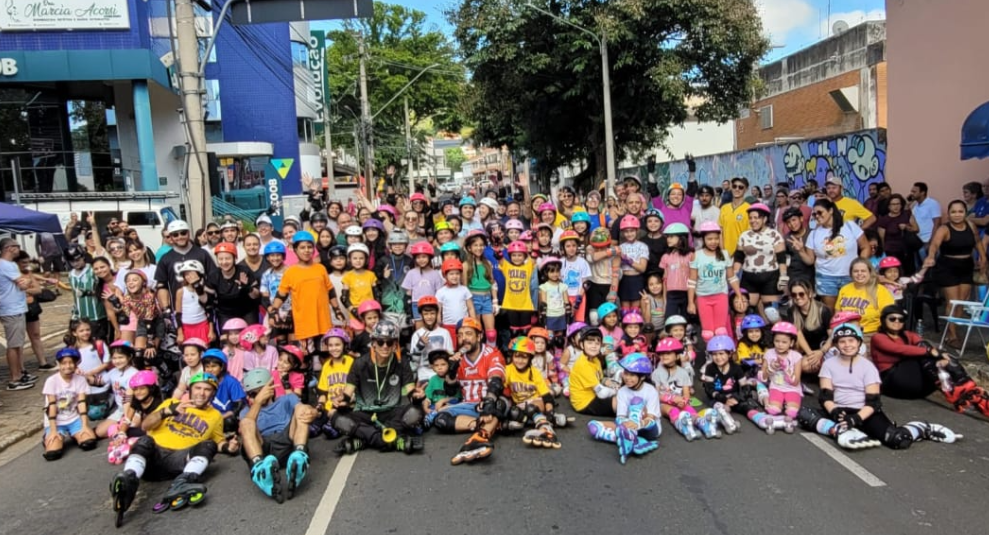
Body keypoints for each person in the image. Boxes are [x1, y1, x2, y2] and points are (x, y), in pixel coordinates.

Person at [109, 373, 236, 526]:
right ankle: (129, 478)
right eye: (198, 388)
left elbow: (218, 440)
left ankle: (183, 482)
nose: (202, 393)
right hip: (152, 457)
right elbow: (145, 425)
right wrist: (167, 411)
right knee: (145, 440)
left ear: (213, 393)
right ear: (190, 389)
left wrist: (228, 447)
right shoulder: (171, 402)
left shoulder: (215, 416)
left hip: (179, 461)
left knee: (209, 445)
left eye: (207, 389)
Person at [805, 323, 956, 450]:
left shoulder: (868, 367)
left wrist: (856, 418)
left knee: (898, 440)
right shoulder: (829, 364)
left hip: (864, 411)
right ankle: (839, 429)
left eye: (851, 341)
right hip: (839, 410)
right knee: (804, 414)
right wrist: (834, 411)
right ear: (836, 345)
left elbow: (873, 402)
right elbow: (825, 396)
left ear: (859, 343)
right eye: (842, 342)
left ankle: (920, 428)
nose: (847, 345)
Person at [331, 320, 425, 455]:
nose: (385, 346)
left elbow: (411, 393)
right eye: (380, 342)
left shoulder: (402, 363)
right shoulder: (360, 364)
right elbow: (346, 394)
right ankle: (393, 440)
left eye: (389, 342)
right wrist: (340, 400)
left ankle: (365, 440)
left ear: (395, 345)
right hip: (365, 413)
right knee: (336, 417)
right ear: (373, 343)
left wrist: (417, 397)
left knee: (417, 412)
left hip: (392, 412)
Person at [429, 317, 508, 465]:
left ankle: (481, 436)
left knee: (499, 404)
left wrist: (488, 402)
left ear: (479, 336)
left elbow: (496, 382)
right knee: (440, 419)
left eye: (468, 334)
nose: (464, 338)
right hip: (468, 406)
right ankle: (485, 425)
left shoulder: (492, 354)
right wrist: (451, 372)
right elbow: (451, 391)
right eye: (460, 335)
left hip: (489, 403)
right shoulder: (458, 359)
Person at [239, 368, 318, 503]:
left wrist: (312, 412)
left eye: (260, 392)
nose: (257, 396)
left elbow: (303, 408)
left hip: (287, 441)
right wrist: (257, 402)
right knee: (246, 423)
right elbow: (246, 427)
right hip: (263, 447)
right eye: (252, 394)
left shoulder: (287, 399)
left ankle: (299, 456)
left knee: (302, 410)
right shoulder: (247, 411)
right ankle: (260, 470)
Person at [928, 200, 987, 348]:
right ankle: (952, 335)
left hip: (966, 266)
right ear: (948, 214)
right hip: (948, 267)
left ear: (965, 213)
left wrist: (983, 257)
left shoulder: (971, 225)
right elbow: (934, 245)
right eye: (953, 212)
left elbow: (977, 242)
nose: (957, 215)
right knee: (952, 302)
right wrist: (930, 256)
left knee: (961, 302)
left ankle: (953, 329)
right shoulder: (944, 229)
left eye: (960, 211)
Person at [586, 353, 661, 464]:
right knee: (593, 427)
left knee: (636, 401)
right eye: (626, 373)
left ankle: (627, 436)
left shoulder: (651, 391)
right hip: (629, 424)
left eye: (632, 375)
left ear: (642, 377)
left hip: (648, 429)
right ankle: (627, 437)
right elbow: (620, 416)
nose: (627, 378)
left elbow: (651, 418)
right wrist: (625, 424)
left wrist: (638, 424)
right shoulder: (622, 391)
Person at [794, 199, 870, 309]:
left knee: (852, 308)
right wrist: (801, 251)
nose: (817, 216)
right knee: (830, 311)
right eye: (814, 214)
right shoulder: (814, 234)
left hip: (850, 275)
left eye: (820, 212)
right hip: (826, 278)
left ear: (830, 210)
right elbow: (810, 260)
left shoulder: (850, 226)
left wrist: (859, 267)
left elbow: (865, 247)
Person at [42, 348, 98, 461]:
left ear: (76, 364)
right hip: (56, 422)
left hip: (74, 419)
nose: (67, 366)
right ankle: (48, 437)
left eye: (71, 363)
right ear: (58, 364)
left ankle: (75, 434)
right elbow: (51, 406)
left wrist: (85, 426)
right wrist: (53, 431)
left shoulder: (80, 380)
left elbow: (82, 404)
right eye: (64, 363)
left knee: (89, 443)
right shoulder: (51, 381)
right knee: (53, 454)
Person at [734, 203, 787, 316]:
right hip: (749, 277)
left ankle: (772, 328)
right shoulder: (744, 236)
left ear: (765, 219)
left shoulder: (774, 235)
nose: (753, 221)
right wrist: (735, 275)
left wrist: (783, 275)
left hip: (770, 277)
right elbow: (739, 257)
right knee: (746, 309)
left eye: (756, 217)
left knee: (771, 313)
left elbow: (781, 258)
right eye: (750, 218)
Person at [1, 237, 36, 391]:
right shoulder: (5, 265)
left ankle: (20, 373)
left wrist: (26, 281)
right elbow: (23, 284)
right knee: (14, 345)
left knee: (18, 344)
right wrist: (27, 281)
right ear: (9, 248)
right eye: (17, 246)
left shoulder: (11, 265)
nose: (19, 249)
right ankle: (14, 378)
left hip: (17, 307)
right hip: (11, 309)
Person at [835, 259, 895, 345]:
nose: (859, 274)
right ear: (851, 273)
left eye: (863, 271)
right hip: (846, 333)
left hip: (870, 334)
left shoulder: (881, 291)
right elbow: (837, 315)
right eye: (856, 271)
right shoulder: (844, 289)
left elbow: (890, 316)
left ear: (870, 273)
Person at [875, 193, 919, 274]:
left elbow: (916, 229)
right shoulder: (884, 220)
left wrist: (906, 227)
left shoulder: (907, 214)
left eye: (898, 204)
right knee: (896, 272)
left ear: (901, 205)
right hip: (891, 251)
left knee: (909, 272)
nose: (896, 206)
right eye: (893, 204)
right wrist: (883, 252)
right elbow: (881, 238)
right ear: (889, 206)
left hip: (906, 250)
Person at [718, 176, 751, 255]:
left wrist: (739, 254)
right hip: (725, 253)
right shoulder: (724, 208)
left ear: (746, 189)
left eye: (741, 187)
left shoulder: (749, 209)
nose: (737, 189)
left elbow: (749, 234)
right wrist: (723, 251)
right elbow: (720, 231)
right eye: (734, 186)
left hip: (741, 254)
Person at [911, 182, 942, 258]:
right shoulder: (915, 206)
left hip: (929, 240)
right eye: (912, 191)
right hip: (918, 242)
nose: (912, 194)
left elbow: (937, 223)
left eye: (914, 192)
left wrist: (932, 241)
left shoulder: (932, 203)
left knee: (930, 263)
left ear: (922, 192)